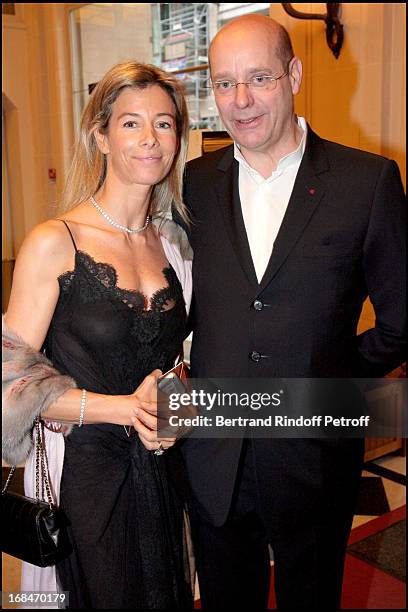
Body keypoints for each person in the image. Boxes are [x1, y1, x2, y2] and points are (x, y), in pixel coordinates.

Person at [179, 14, 406, 610]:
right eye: (224, 83)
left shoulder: (368, 181)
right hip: (213, 449)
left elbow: (401, 321)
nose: (241, 100)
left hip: (314, 450)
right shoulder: (195, 183)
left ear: (294, 74)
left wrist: (329, 378)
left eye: (259, 78)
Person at [2, 61, 194, 609]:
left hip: (163, 466)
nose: (150, 139)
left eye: (164, 123)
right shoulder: (55, 241)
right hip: (87, 469)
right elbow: (10, 386)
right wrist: (126, 410)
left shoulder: (174, 244)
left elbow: (176, 359)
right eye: (131, 123)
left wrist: (173, 412)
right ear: (101, 135)